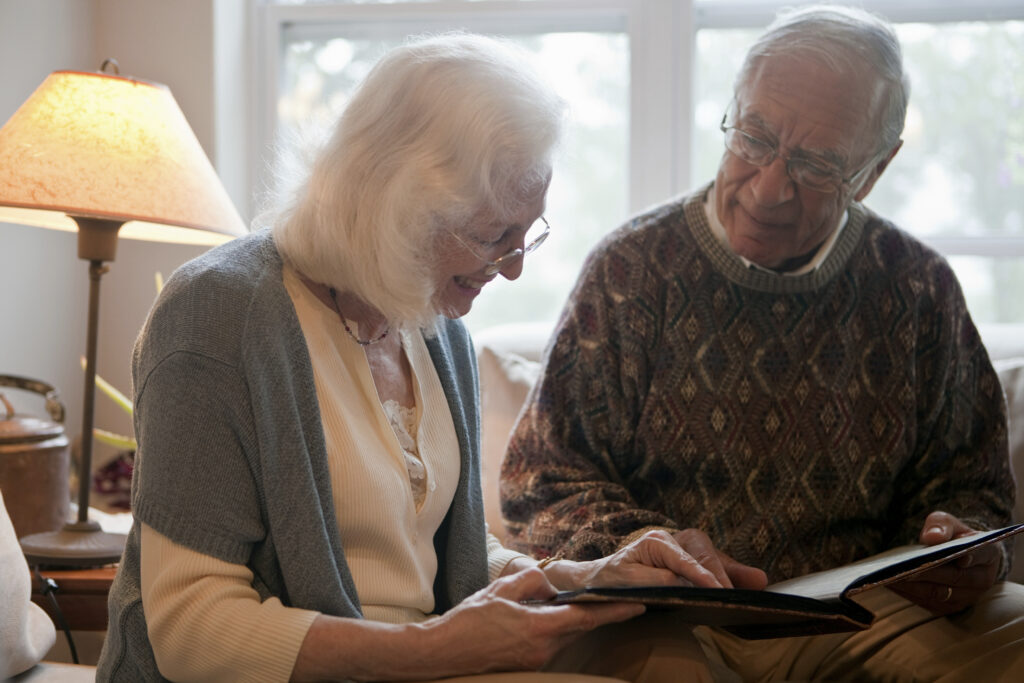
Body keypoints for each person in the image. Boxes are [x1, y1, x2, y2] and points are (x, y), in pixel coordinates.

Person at [94, 33, 747, 683]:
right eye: (495, 237)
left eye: (528, 234)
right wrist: (439, 649)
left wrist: (583, 577)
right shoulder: (217, 315)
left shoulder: (433, 327)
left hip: (418, 661)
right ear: (399, 207)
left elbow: (440, 559)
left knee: (679, 659)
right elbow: (191, 632)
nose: (514, 269)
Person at [501, 5, 1024, 680]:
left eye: (814, 165)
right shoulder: (632, 271)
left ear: (872, 170)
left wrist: (968, 548)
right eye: (753, 138)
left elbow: (971, 488)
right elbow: (539, 480)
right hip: (676, 617)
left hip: (867, 615)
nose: (769, 188)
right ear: (732, 110)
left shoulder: (918, 287)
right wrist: (637, 540)